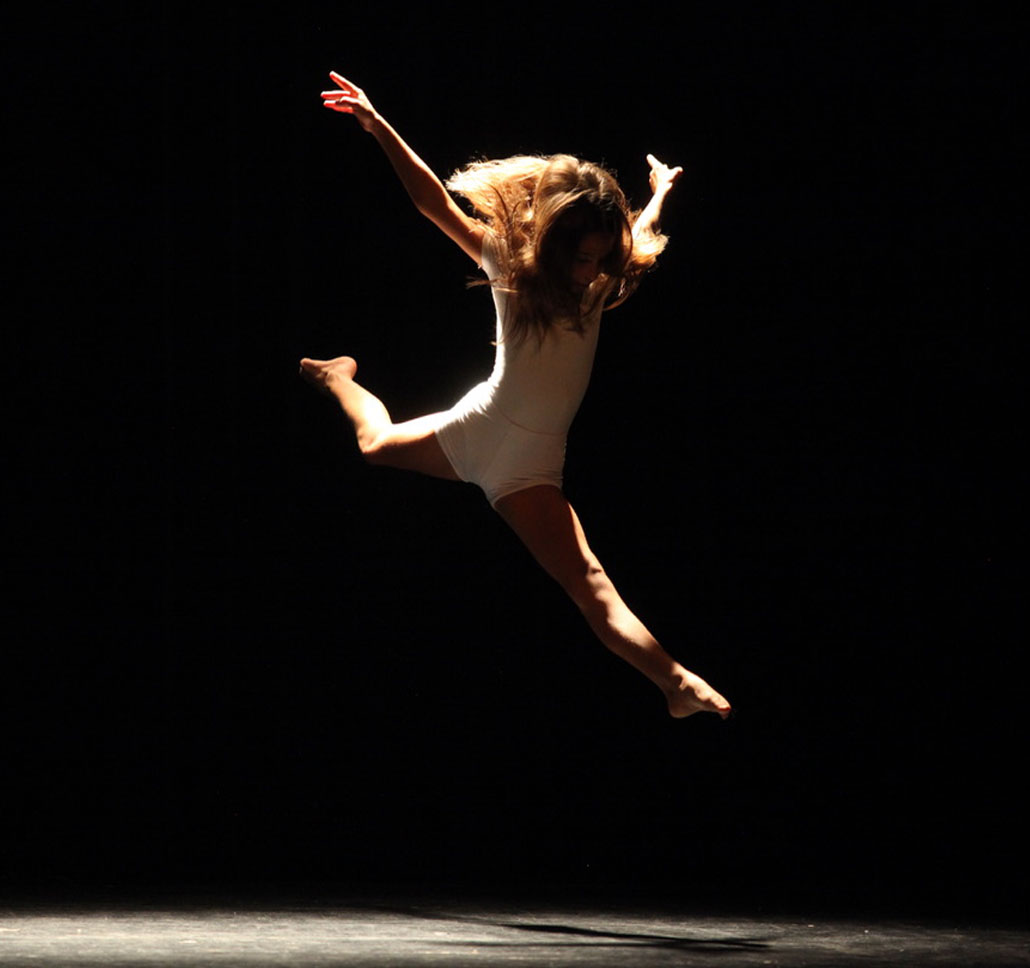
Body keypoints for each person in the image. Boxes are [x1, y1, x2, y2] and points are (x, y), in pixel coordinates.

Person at [302, 72, 730, 719]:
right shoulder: (508, 262)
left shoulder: (601, 280)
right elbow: (432, 204)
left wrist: (661, 191)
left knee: (588, 581)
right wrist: (377, 125)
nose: (591, 272)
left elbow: (639, 235)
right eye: (581, 258)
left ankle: (675, 683)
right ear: (554, 245)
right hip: (480, 423)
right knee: (372, 444)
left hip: (527, 469)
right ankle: (338, 376)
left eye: (598, 258)